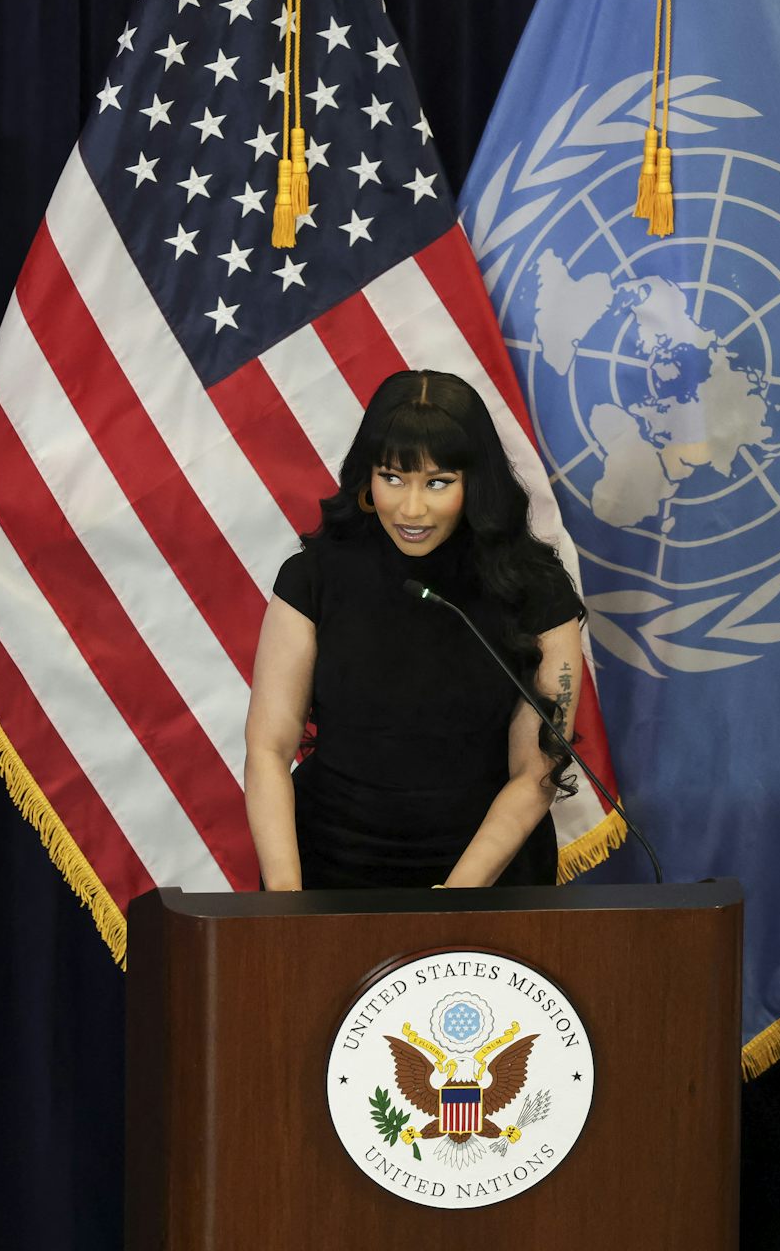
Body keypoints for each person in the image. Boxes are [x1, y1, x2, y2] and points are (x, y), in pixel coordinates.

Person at [242, 370, 585, 891]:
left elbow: (535, 773)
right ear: (368, 477)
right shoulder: (313, 577)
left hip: (486, 879)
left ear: (475, 482)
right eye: (393, 477)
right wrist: (286, 906)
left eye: (437, 482)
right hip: (328, 870)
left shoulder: (537, 591)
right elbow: (268, 749)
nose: (411, 508)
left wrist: (453, 902)